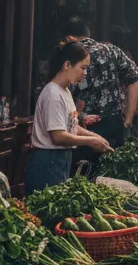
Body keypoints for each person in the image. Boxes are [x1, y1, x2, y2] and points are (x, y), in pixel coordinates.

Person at [28, 42, 112, 193]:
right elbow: (58, 136)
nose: (85, 73)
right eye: (83, 67)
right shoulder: (53, 94)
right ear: (67, 64)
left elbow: (71, 125)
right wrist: (90, 141)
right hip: (48, 160)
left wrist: (95, 136)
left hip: (60, 159)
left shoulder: (64, 91)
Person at [62, 19, 138, 154]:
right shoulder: (112, 50)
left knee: (83, 171)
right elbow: (134, 80)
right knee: (110, 169)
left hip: (84, 126)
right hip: (114, 122)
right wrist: (128, 117)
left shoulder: (72, 57)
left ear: (69, 39)